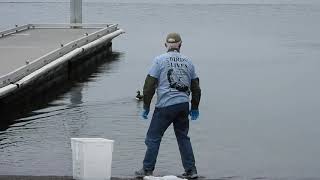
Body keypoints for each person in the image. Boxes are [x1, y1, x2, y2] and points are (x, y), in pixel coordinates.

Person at [135, 32, 201, 179]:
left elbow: (149, 85)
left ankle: (147, 170)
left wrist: (146, 106)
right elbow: (196, 87)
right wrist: (195, 107)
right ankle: (191, 171)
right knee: (183, 138)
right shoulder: (188, 62)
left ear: (166, 45)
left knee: (153, 138)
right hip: (183, 105)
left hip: (165, 106)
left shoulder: (159, 60)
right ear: (180, 45)